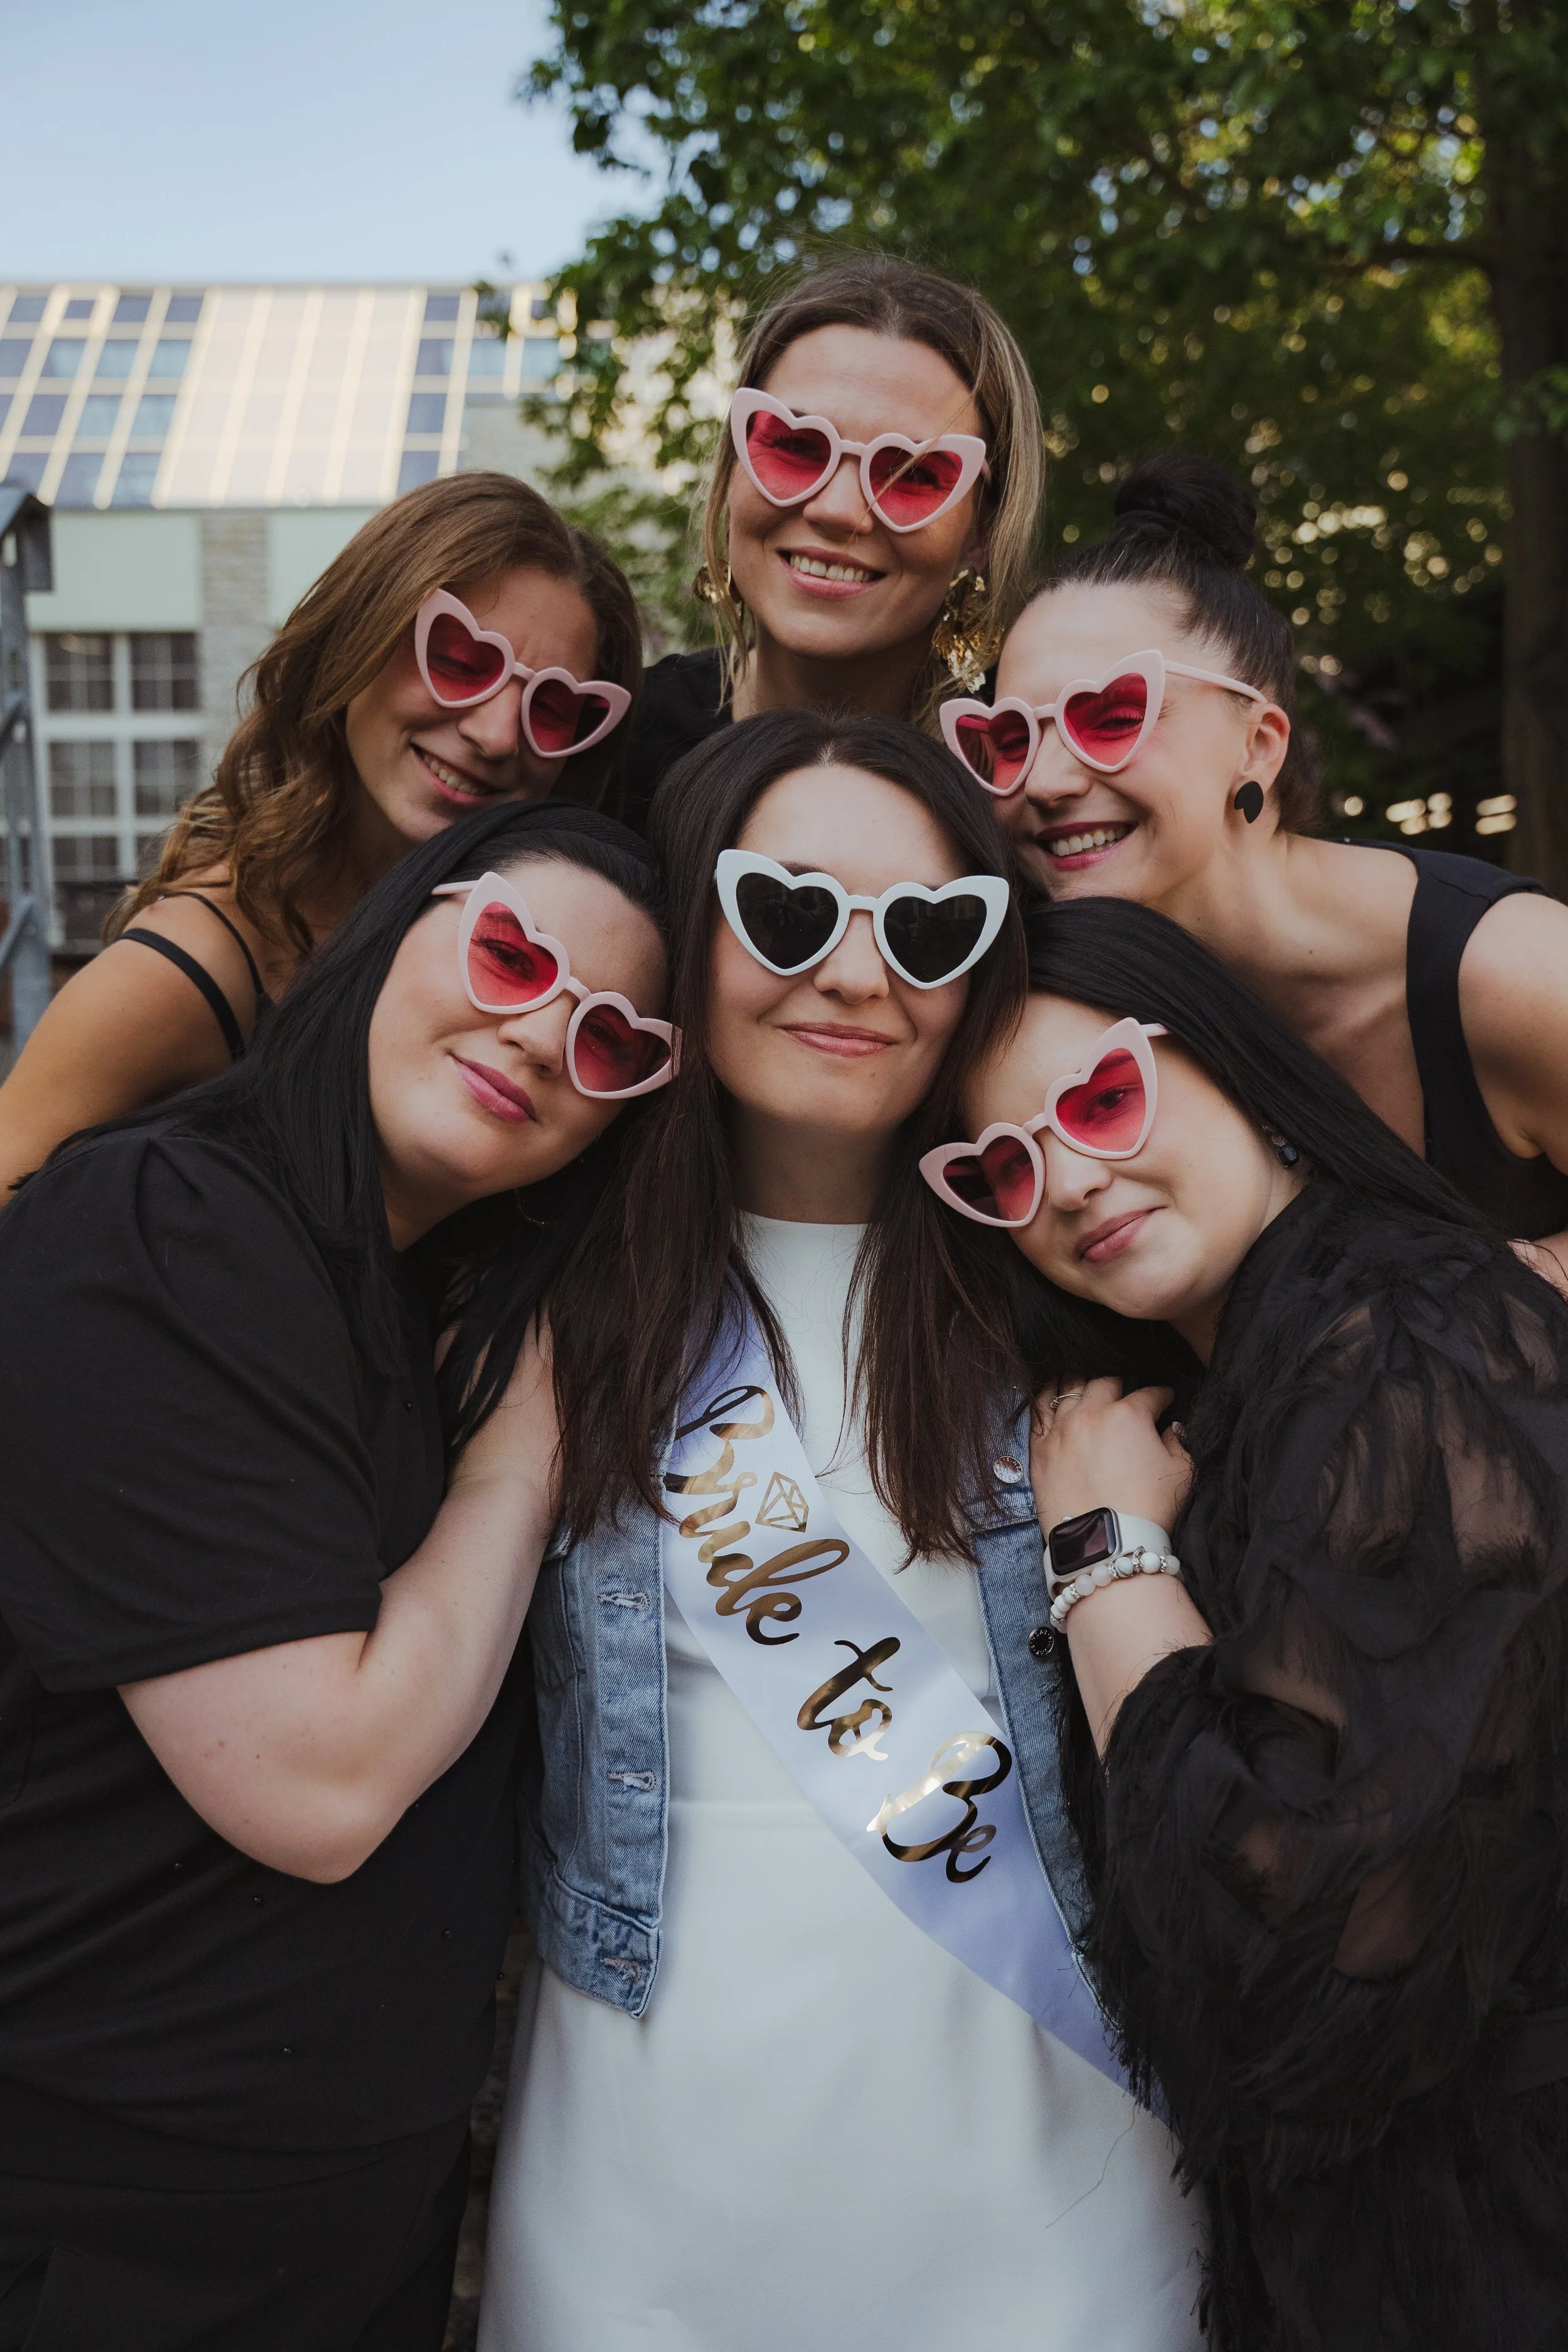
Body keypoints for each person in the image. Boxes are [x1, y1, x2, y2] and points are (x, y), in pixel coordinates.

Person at [479, 712, 1204, 2352]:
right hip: (646, 2163)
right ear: (690, 917)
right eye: (787, 910)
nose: (859, 976)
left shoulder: (1075, 1277)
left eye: (929, 928)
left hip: (1050, 2152)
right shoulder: (542, 1297)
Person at [0, 800, 674, 2352]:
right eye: (510, 952)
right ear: (394, 931)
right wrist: (527, 1449)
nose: (538, 1034)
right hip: (107, 2221)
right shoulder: (162, 1224)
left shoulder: (408, 1285)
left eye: (613, 1043)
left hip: (343, 2215)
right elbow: (317, 1779)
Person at [919, 892, 1568, 2351]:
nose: (1069, 1179)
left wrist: (1102, 1556)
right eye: (1002, 1168)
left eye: (1102, 1095)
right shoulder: (1272, 1369)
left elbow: (1303, 1952)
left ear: (1237, 1066)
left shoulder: (1403, 1346)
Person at [939, 449, 1568, 1268]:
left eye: (1111, 716)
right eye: (1010, 741)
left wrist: (1484, 1316)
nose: (1048, 783)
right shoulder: (1056, 1015)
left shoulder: (1514, 973)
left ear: (1258, 743)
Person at [0, 471, 642, 1201]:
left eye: (555, 709)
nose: (497, 734)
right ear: (355, 638)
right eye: (460, 659)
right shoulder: (180, 974)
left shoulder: (511, 963)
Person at [611, 252, 1044, 832]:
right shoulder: (604, 745)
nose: (839, 512)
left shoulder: (1032, 780)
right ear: (733, 469)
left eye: (913, 474)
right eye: (793, 447)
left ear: (981, 532)